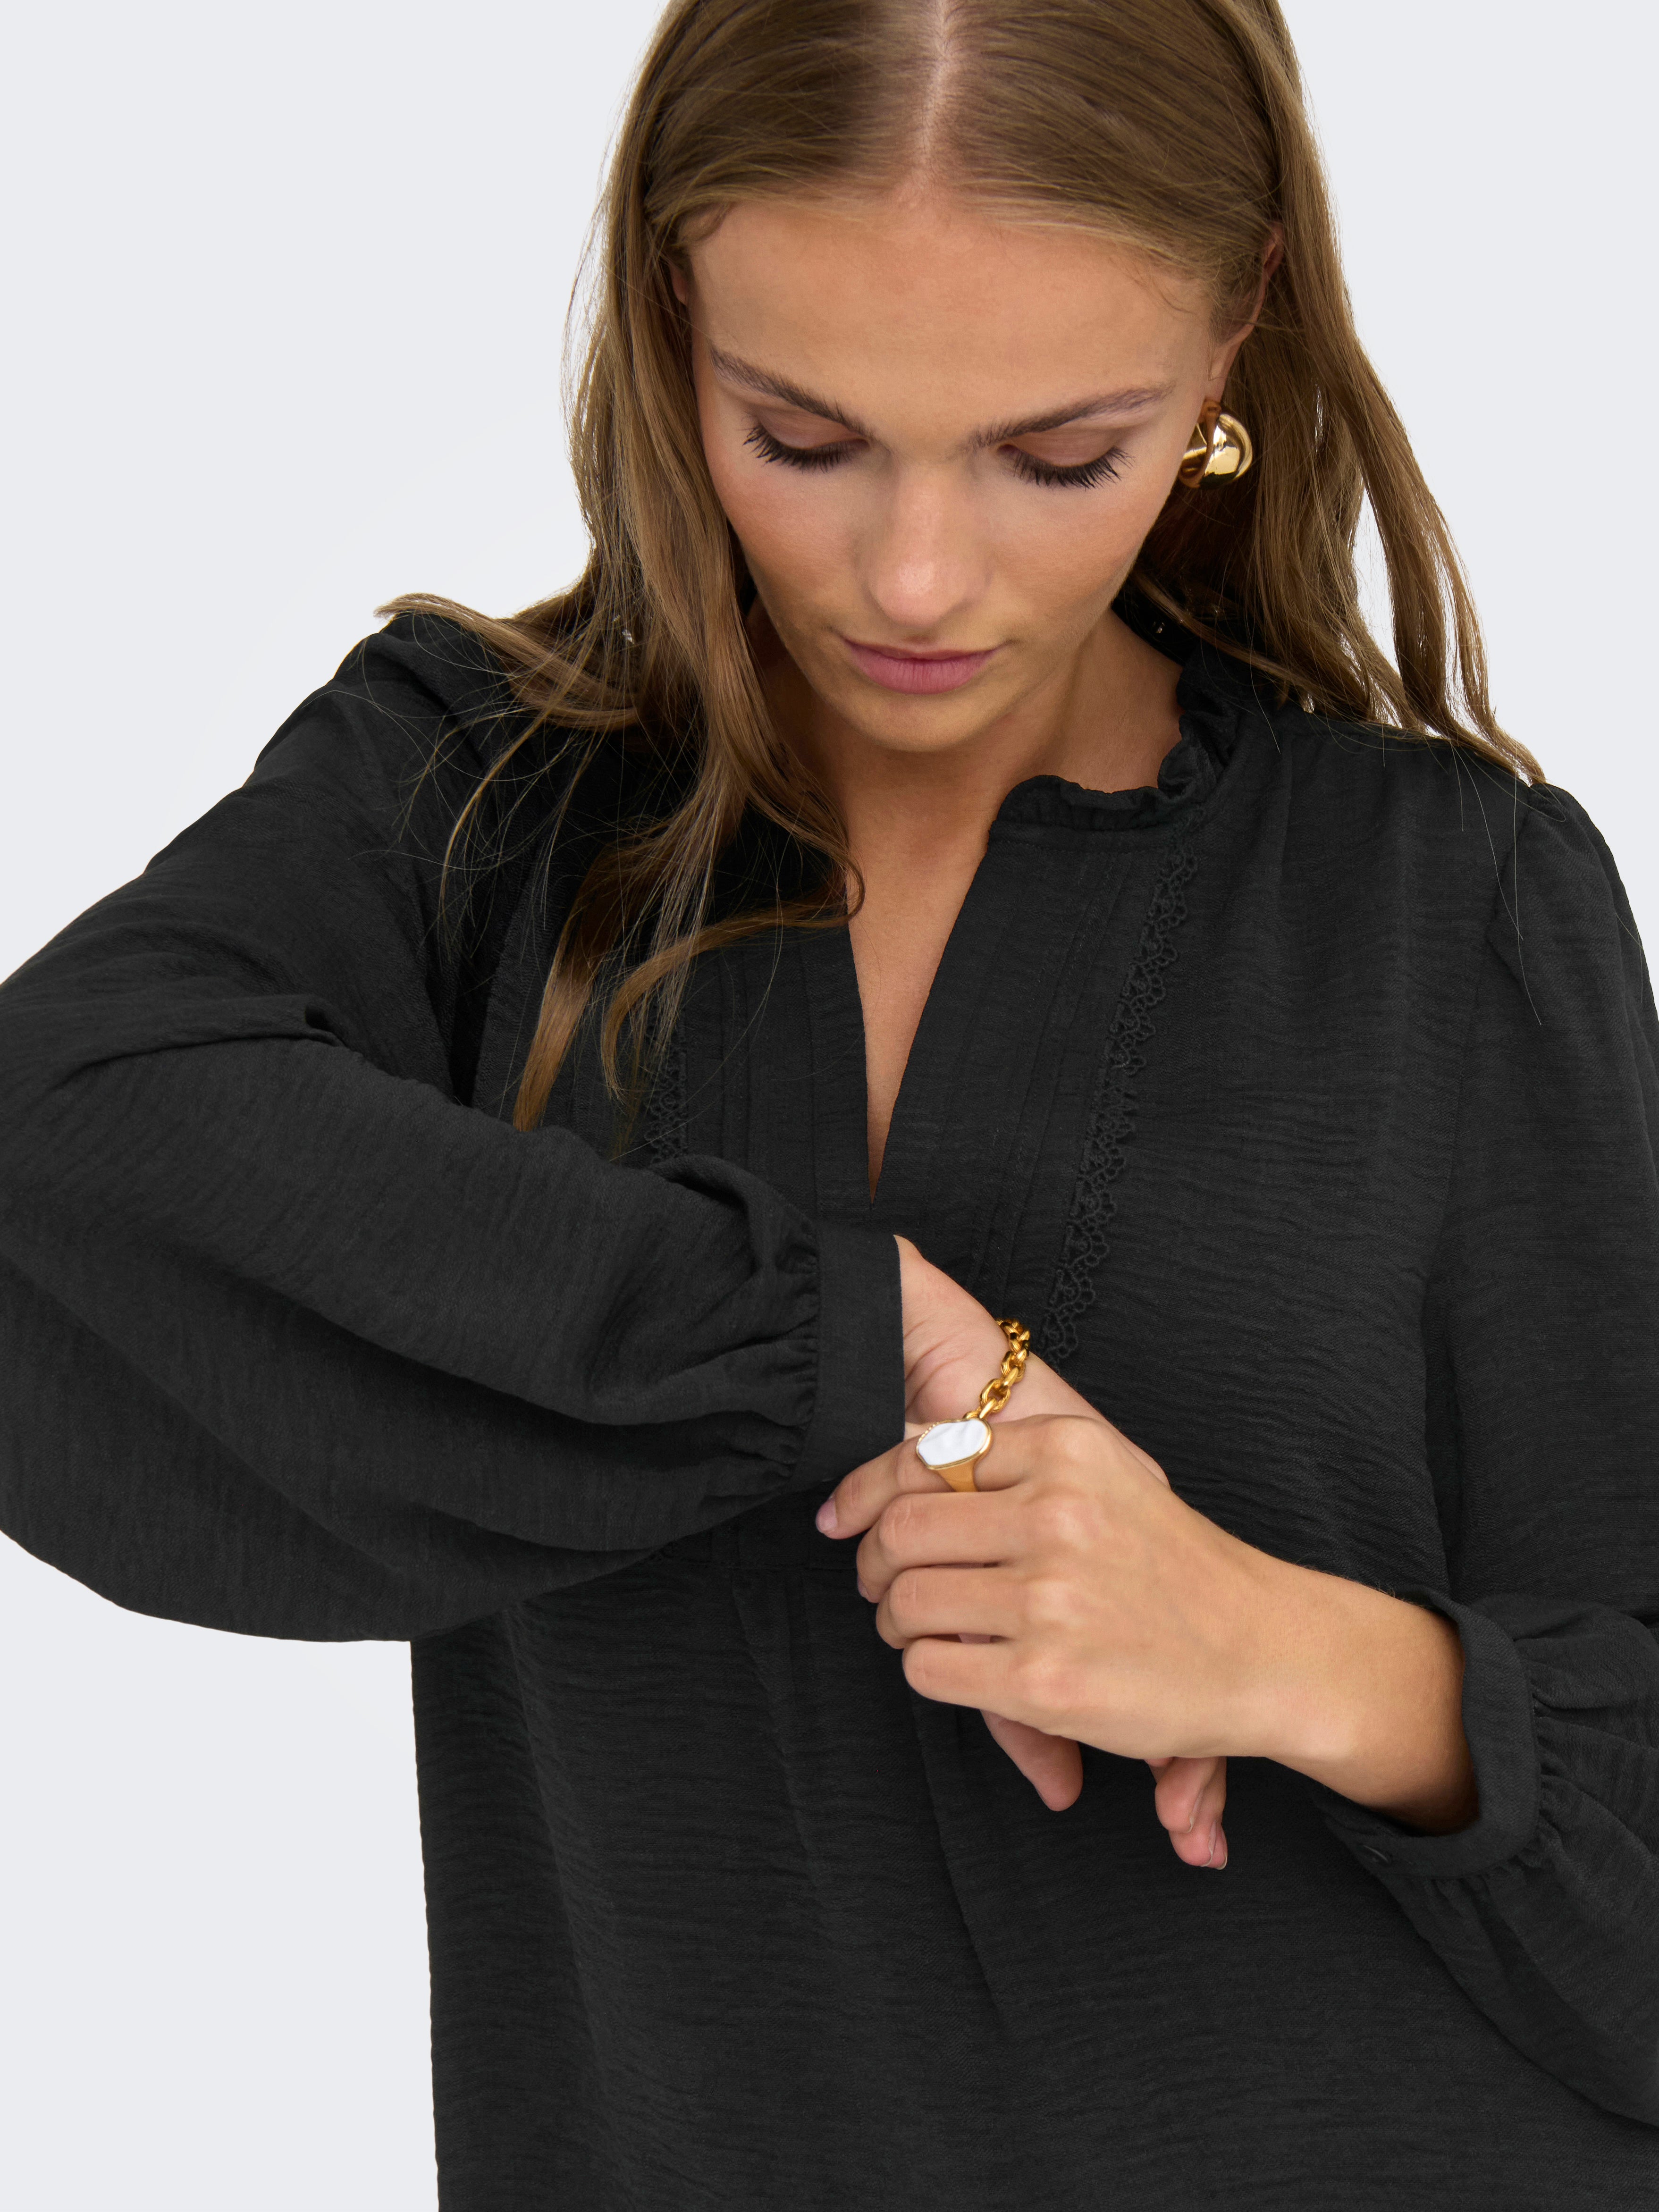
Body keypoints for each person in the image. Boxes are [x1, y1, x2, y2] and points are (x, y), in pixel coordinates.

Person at [1, 0, 1655, 2203]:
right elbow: (58, 1142)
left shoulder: (1450, 901)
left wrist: (1289, 1654)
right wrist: (845, 1341)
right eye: (802, 434)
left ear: (1236, 329)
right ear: (670, 319)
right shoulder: (473, 811)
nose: (916, 577)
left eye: (1058, 454)